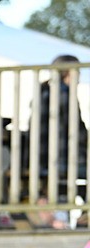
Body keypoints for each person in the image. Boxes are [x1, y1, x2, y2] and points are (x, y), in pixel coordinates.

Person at [33, 55, 88, 186]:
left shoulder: (55, 93)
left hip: (63, 159)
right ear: (66, 72)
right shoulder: (57, 96)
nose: (79, 76)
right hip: (62, 160)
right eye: (78, 71)